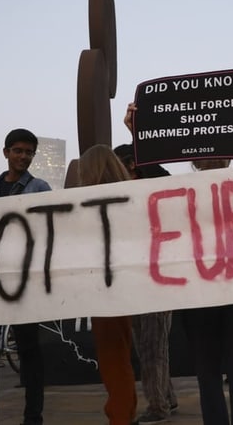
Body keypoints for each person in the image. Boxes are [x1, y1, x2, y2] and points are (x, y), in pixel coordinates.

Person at [125, 96, 233, 425]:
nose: (212, 157)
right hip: (198, 297)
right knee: (207, 374)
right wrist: (139, 133)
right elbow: (153, 172)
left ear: (231, 156)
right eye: (205, 151)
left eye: (219, 149)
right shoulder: (179, 188)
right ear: (192, 158)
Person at [0, 128, 50, 425]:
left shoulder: (40, 187)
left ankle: (33, 416)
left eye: (29, 152)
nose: (23, 157)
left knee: (30, 348)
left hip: (24, 279)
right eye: (18, 151)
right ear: (5, 152)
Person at [73, 145, 140, 425]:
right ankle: (125, 413)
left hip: (103, 292)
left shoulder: (83, 207)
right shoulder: (131, 198)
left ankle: (121, 417)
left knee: (112, 357)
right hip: (127, 289)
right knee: (121, 353)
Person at [112, 143, 179, 425]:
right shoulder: (122, 196)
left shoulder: (155, 189)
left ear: (130, 165)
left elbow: (162, 177)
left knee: (152, 347)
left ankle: (158, 407)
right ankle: (166, 397)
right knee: (149, 345)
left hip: (157, 280)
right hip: (139, 280)